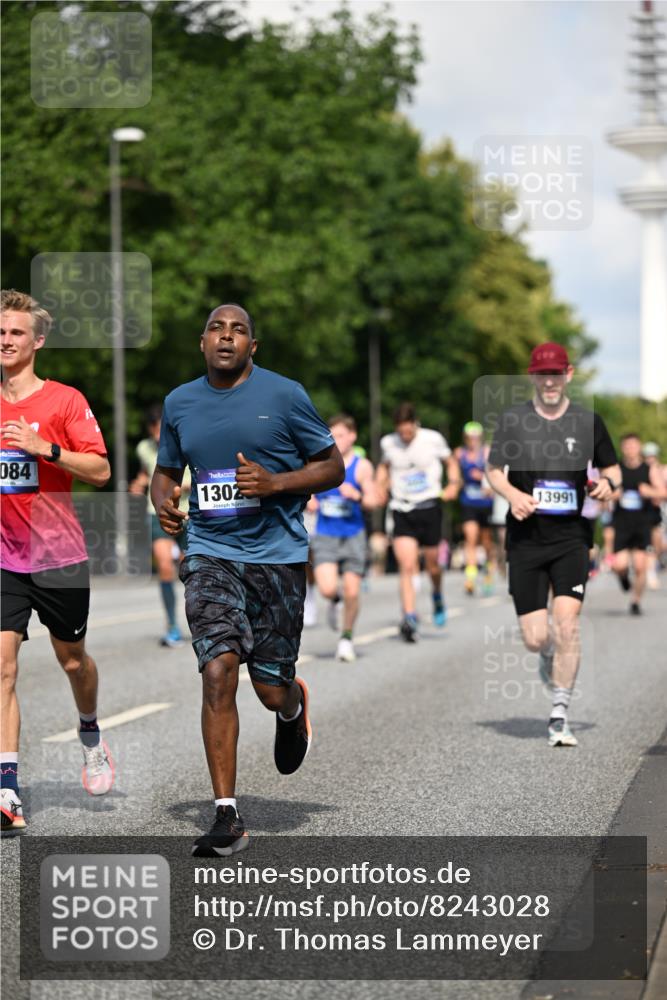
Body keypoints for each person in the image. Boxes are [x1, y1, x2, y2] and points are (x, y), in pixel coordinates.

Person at [150, 303, 343, 856]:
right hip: (210, 551)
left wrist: (276, 482)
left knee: (267, 686)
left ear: (252, 347)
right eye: (217, 328)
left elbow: (333, 468)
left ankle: (291, 705)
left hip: (277, 556)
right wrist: (165, 505)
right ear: (203, 342)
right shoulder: (180, 402)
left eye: (238, 330)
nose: (227, 337)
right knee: (218, 669)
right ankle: (226, 815)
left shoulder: (285, 395)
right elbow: (166, 472)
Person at [1, 289, 114, 834]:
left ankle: (89, 732)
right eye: (0, 332)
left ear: (37, 341)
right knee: (2, 668)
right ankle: (7, 789)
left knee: (73, 661)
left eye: (16, 332)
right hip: (4, 558)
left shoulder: (64, 401)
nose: (5, 339)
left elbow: (100, 471)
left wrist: (41, 449)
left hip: (58, 553)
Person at [486, 342, 621, 747]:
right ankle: (546, 656)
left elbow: (613, 471)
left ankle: (559, 713)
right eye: (543, 374)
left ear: (569, 375)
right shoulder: (513, 420)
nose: (550, 381)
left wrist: (607, 487)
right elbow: (493, 470)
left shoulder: (588, 422)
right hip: (526, 540)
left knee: (567, 624)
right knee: (534, 637)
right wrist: (512, 495)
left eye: (556, 374)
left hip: (571, 540)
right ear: (533, 376)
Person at [376, 403, 459, 642]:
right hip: (402, 508)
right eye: (401, 432)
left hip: (430, 506)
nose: (405, 436)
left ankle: (436, 594)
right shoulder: (388, 443)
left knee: (433, 565)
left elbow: (451, 463)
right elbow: (384, 468)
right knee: (408, 565)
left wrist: (453, 484)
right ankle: (410, 616)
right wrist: (380, 487)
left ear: (415, 423)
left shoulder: (432, 439)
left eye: (409, 432)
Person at [308, 414, 376, 662]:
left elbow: (374, 499)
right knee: (327, 588)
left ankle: (346, 638)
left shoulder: (362, 466)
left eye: (340, 435)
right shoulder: (321, 463)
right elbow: (307, 490)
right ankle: (334, 602)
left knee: (352, 590)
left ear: (352, 436)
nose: (336, 441)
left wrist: (357, 495)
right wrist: (310, 500)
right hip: (326, 534)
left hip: (353, 535)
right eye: (332, 436)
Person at [129, 403, 191, 646]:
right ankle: (172, 625)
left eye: (160, 429)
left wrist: (184, 486)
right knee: (165, 566)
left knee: (192, 572)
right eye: (153, 430)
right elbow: (148, 471)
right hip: (158, 511)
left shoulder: (185, 441)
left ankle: (202, 620)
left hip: (189, 511)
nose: (157, 435)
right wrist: (139, 483)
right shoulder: (143, 448)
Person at [611, 434, 665, 615]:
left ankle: (635, 601)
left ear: (639, 447)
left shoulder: (649, 469)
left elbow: (663, 492)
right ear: (623, 448)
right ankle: (624, 578)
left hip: (642, 523)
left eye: (634, 446)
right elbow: (603, 493)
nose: (630, 449)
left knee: (641, 566)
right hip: (621, 522)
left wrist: (649, 491)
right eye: (627, 446)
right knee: (619, 565)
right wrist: (613, 494)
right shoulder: (616, 469)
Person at [453, 421, 496, 595]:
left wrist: (484, 479)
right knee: (470, 538)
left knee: (485, 541)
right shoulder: (459, 454)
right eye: (470, 438)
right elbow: (455, 475)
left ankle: (488, 572)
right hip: (468, 502)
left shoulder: (487, 453)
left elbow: (496, 474)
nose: (473, 441)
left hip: (485, 503)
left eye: (476, 437)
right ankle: (470, 577)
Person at [642, 441, 666, 589]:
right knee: (648, 542)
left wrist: (653, 492)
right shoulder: (641, 470)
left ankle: (656, 562)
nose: (650, 459)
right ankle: (650, 570)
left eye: (652, 456)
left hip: (661, 510)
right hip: (643, 511)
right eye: (647, 456)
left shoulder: (663, 470)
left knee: (659, 543)